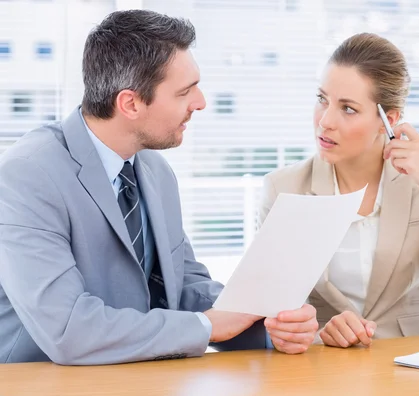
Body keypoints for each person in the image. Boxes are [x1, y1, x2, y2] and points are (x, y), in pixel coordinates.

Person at [0, 10, 317, 365]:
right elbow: (68, 330)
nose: (200, 102)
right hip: (38, 384)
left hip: (139, 378)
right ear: (130, 103)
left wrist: (267, 321)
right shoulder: (28, 175)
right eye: (185, 92)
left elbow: (185, 289)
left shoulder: (154, 169)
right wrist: (207, 326)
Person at [258, 33, 419, 348]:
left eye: (348, 109)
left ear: (387, 120)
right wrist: (307, 332)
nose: (325, 121)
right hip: (325, 370)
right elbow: (273, 314)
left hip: (418, 362)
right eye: (322, 99)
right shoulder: (284, 189)